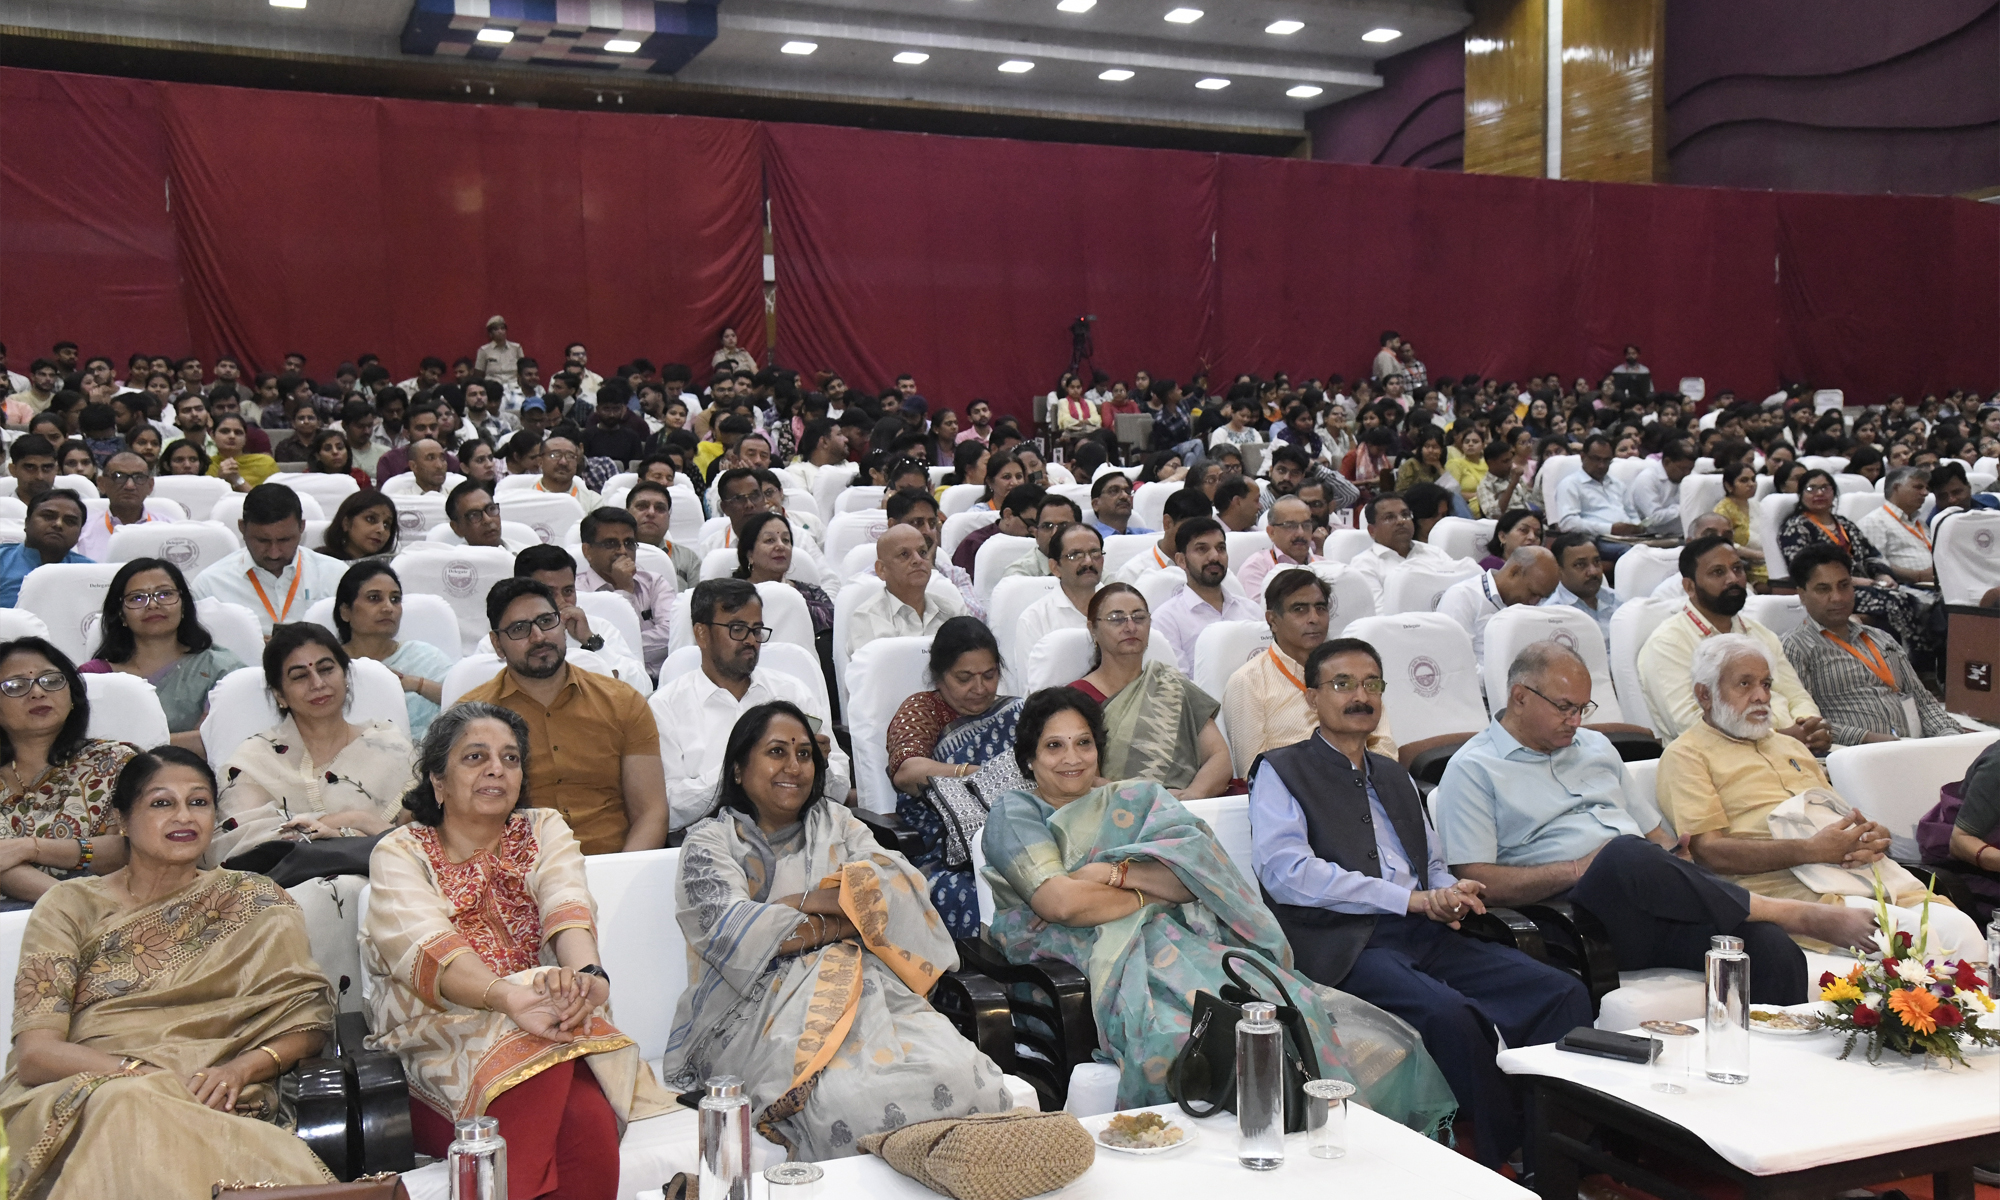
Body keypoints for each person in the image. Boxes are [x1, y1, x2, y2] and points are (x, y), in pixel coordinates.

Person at [981, 688, 1454, 1132]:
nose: (1072, 758)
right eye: (1054, 746)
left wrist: (1112, 873)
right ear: (1029, 758)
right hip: (1072, 958)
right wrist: (1150, 892)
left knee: (1291, 1010)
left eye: (1083, 743)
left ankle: (1311, 1143)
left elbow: (1194, 879)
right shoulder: (1015, 814)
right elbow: (1061, 904)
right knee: (1179, 1038)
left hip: (1178, 940)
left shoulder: (1137, 799)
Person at [1250, 638, 1591, 1167]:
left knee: (1560, 991)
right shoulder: (1281, 770)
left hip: (1426, 931)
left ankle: (1558, 1152)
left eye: (1371, 684)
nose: (1360, 695)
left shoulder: (1393, 772)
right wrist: (1408, 899)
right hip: (1347, 945)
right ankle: (1497, 1161)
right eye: (1342, 684)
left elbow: (1429, 861)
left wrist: (1449, 893)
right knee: (1449, 1015)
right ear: (1311, 697)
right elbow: (1287, 874)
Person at [1433, 642, 1879, 1007]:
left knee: (1768, 948)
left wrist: (1673, 855)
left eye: (1583, 708)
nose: (1576, 721)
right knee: (1622, 854)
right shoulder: (1473, 769)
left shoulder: (1596, 747)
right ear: (1520, 697)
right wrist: (1578, 868)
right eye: (1565, 708)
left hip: (1651, 900)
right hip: (1574, 916)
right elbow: (1478, 882)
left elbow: (1656, 838)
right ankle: (1798, 914)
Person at [661, 700, 1005, 1158]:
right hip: (756, 1009)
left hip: (870, 989)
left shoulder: (838, 822)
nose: (794, 767)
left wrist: (797, 903)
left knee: (964, 1074)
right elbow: (731, 930)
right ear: (739, 769)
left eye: (804, 754)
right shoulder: (709, 842)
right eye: (777, 752)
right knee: (848, 1101)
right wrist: (849, 918)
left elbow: (899, 885)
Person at [2, 746, 337, 1196]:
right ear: (122, 819)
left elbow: (307, 1024)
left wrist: (239, 1070)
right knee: (128, 1105)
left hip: (216, 1098)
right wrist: (145, 1077)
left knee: (139, 1111)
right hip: (85, 1096)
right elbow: (36, 1054)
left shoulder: (257, 900)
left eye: (198, 802)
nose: (184, 816)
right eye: (162, 803)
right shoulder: (69, 905)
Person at [364, 703, 670, 1194]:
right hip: (439, 1043)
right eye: (475, 757)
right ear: (438, 781)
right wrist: (513, 999)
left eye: (510, 758)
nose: (496, 769)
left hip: (551, 1025)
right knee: (575, 1109)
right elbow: (427, 947)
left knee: (587, 1120)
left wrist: (587, 977)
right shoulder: (401, 851)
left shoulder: (543, 828)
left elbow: (567, 904)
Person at [1657, 633, 1982, 960]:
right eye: (1745, 684)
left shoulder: (1791, 746)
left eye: (1766, 684)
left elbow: (1836, 816)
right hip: (1792, 895)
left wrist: (1872, 836)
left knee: (1963, 932)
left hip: (1862, 875)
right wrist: (1810, 850)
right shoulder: (1687, 755)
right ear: (1705, 694)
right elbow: (1709, 852)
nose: (1761, 696)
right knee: (1916, 942)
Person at [459, 578, 666, 853]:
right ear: (497, 644)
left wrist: (622, 871)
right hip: (515, 870)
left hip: (612, 861)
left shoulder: (623, 703)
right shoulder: (469, 719)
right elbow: (460, 820)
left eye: (546, 621)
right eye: (519, 629)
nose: (538, 637)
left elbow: (651, 813)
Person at [209, 623, 416, 866]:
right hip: (290, 883)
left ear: (345, 676)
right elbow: (242, 843)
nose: (317, 684)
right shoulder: (255, 760)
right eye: (300, 676)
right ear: (280, 695)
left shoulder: (390, 747)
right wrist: (354, 830)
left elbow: (425, 840)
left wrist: (359, 820)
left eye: (326, 669)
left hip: (387, 876)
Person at [651, 579, 848, 831]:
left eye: (756, 630)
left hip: (803, 834)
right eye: (737, 629)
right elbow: (666, 809)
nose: (751, 641)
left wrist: (819, 765)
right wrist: (739, 766)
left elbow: (840, 791)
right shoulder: (666, 707)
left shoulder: (793, 692)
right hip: (717, 841)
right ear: (701, 633)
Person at [887, 617, 1022, 936]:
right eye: (964, 678)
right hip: (947, 850)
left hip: (1021, 834)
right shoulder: (922, 711)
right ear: (939, 675)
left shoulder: (1015, 713)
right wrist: (976, 776)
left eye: (989, 675)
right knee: (985, 897)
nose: (980, 688)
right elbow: (906, 772)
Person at [1636, 535, 1827, 747]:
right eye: (1718, 572)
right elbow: (1688, 725)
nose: (1733, 579)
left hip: (1795, 747)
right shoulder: (1668, 644)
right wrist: (1779, 738)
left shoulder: (1760, 633)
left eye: (1737, 569)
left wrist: (1809, 727)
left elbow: (1797, 696)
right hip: (1720, 758)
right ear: (1689, 587)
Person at [0, 638, 138, 904]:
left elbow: (133, 846)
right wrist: (75, 903)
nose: (37, 692)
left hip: (111, 906)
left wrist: (32, 848)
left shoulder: (116, 761)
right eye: (15, 686)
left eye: (51, 681)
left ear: (72, 695)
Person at [1780, 545, 1961, 742]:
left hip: (1912, 746)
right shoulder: (1795, 647)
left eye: (1844, 585)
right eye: (1823, 589)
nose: (1837, 597)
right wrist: (1868, 738)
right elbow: (1807, 723)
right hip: (1855, 753)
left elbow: (1923, 702)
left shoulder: (1882, 638)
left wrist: (1949, 737)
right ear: (1802, 594)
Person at [1068, 584, 1230, 798]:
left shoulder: (1172, 685)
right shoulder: (1076, 700)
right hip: (1116, 807)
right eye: (1116, 618)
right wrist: (1146, 800)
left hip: (1184, 805)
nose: (1130, 627)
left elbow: (1219, 756)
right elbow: (1082, 775)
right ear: (1093, 628)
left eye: (1139, 617)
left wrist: (1193, 794)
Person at [79, 558, 244, 745]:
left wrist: (126, 747)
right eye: (137, 598)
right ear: (121, 614)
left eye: (165, 594)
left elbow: (218, 740)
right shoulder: (94, 677)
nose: (153, 605)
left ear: (184, 605)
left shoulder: (221, 669)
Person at [1777, 468, 1928, 650]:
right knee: (1894, 601)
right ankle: (1903, 655)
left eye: (1825, 488)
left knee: (1913, 598)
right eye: (1811, 489)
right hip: (1832, 588)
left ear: (1834, 493)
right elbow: (1801, 568)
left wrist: (1882, 575)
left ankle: (1912, 656)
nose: (1819, 493)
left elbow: (1871, 555)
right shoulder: (1796, 527)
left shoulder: (1844, 524)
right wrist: (1853, 581)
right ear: (1801, 494)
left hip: (1868, 585)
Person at [191, 484, 348, 634]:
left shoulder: (336, 575)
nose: (274, 553)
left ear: (302, 527)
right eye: (262, 541)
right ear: (242, 527)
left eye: (284, 540)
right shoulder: (210, 586)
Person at [335, 560, 453, 742]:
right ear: (345, 612)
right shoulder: (329, 665)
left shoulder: (425, 657)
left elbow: (466, 703)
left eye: (395, 599)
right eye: (374, 598)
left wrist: (414, 684)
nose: (388, 608)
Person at [1149, 517, 1257, 673]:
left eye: (1221, 548)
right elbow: (1178, 683)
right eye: (1202, 549)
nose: (1215, 556)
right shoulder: (1167, 620)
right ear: (1181, 560)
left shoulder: (1252, 610)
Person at [574, 507, 671, 678]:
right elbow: (589, 654)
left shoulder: (654, 583)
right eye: (610, 543)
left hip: (660, 682)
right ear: (587, 551)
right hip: (605, 681)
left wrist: (610, 648)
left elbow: (670, 636)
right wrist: (624, 590)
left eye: (629, 543)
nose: (623, 551)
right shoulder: (577, 592)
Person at [847, 524, 968, 653]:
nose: (918, 560)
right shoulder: (867, 618)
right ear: (882, 569)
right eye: (904, 554)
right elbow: (882, 665)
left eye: (922, 552)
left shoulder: (954, 612)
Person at [1435, 546, 1561, 664]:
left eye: (1541, 598)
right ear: (1514, 572)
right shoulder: (1462, 597)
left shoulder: (1531, 608)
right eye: (1532, 593)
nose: (1534, 603)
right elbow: (1455, 664)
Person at [1345, 493, 1458, 611]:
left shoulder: (1434, 553)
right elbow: (1379, 612)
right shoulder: (1364, 564)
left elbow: (1457, 592)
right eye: (1389, 517)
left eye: (1405, 515)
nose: (1401, 521)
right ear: (1372, 530)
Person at [1554, 434, 1646, 563]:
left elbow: (1632, 514)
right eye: (1596, 459)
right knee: (1632, 553)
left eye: (1607, 460)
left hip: (1629, 538)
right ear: (1583, 457)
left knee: (1664, 547)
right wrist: (1610, 528)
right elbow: (1568, 523)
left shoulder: (1618, 484)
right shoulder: (1570, 484)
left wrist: (1637, 527)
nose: (1601, 465)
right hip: (1596, 540)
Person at [1015, 522, 1103, 653]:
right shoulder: (1035, 620)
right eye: (1075, 555)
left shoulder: (1122, 607)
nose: (1088, 561)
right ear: (1055, 567)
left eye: (1095, 553)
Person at [0, 489, 90, 606]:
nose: (58, 524)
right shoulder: (3, 559)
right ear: (27, 523)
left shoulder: (90, 572)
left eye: (70, 521)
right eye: (48, 516)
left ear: (79, 533)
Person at [1538, 532, 1621, 648]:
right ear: (1559, 571)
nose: (1593, 571)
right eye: (1580, 565)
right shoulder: (1552, 615)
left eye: (1597, 562)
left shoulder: (1617, 599)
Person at [1857, 465, 1937, 583]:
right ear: (1896, 488)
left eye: (1926, 488)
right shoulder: (1874, 522)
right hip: (1907, 587)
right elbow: (1873, 564)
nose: (1925, 493)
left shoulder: (1920, 523)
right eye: (1918, 487)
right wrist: (1918, 576)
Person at [1236, 496, 1322, 603]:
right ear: (1271, 532)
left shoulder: (1323, 565)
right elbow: (1260, 611)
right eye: (1290, 526)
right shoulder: (1256, 568)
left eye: (1306, 525)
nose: (1301, 533)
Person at [625, 480, 702, 594]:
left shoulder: (688, 558)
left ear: (668, 517)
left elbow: (699, 602)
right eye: (642, 506)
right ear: (626, 513)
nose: (651, 513)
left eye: (660, 508)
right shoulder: (610, 553)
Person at [955, 484, 1042, 581]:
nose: (1036, 532)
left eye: (1044, 526)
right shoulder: (974, 544)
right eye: (1031, 523)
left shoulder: (1045, 543)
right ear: (1008, 515)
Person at [1712, 461, 1768, 587]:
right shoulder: (1722, 511)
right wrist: (1759, 555)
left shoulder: (1757, 506)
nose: (1751, 484)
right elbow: (1724, 544)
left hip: (1767, 559)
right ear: (1729, 486)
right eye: (1744, 480)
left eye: (1753, 479)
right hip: (1746, 565)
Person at [1000, 494, 1083, 579]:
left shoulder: (1088, 564)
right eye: (1047, 526)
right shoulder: (1018, 574)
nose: (1054, 533)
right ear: (1036, 534)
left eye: (1063, 526)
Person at [319, 487, 399, 561]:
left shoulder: (391, 566)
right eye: (370, 519)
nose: (381, 529)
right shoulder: (320, 562)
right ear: (346, 523)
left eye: (386, 525)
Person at [206, 413, 279, 493]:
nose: (232, 436)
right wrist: (219, 480)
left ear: (245, 438)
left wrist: (237, 480)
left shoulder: (265, 463)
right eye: (225, 431)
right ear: (212, 435)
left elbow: (274, 498)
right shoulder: (206, 464)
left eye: (238, 432)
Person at [1087, 471, 1152, 537]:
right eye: (1114, 491)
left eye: (1127, 491)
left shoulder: (1146, 535)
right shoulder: (1088, 538)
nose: (1125, 496)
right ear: (1095, 504)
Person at [1476, 509, 1542, 571]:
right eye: (1523, 530)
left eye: (1537, 534)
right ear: (1503, 537)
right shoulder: (1491, 566)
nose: (1532, 537)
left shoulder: (1540, 570)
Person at [471, 314, 525, 387]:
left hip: (514, 386)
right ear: (490, 333)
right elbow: (478, 375)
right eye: (496, 329)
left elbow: (523, 370)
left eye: (502, 328)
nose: (500, 331)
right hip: (492, 387)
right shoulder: (484, 350)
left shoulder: (516, 348)